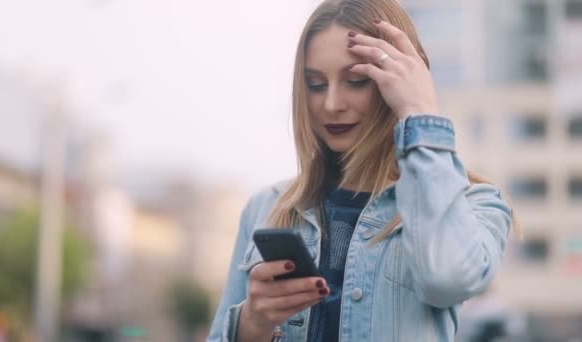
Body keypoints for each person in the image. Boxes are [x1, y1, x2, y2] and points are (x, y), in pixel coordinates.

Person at [207, 0, 516, 341]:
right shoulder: (266, 207)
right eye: (315, 84)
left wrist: (419, 112)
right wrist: (252, 325)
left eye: (355, 80)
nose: (332, 104)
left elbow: (447, 279)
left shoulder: (477, 204)